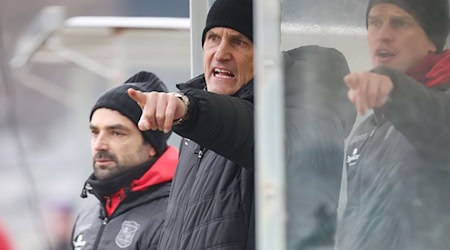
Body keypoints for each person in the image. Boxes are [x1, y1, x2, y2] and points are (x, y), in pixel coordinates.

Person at [128, 0, 356, 249]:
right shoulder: (194, 135)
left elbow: (260, 135)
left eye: (238, 42)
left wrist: (190, 110)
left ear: (266, 56)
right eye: (213, 38)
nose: (221, 53)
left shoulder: (311, 111)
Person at [336, 0, 450, 250]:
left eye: (400, 22)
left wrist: (393, 87)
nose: (383, 34)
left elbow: (434, 120)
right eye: (374, 23)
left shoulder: (440, 109)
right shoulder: (364, 131)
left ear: (433, 39)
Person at [71, 71, 178, 250]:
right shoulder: (87, 216)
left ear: (151, 145)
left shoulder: (175, 214)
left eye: (116, 133)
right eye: (95, 132)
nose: (99, 145)